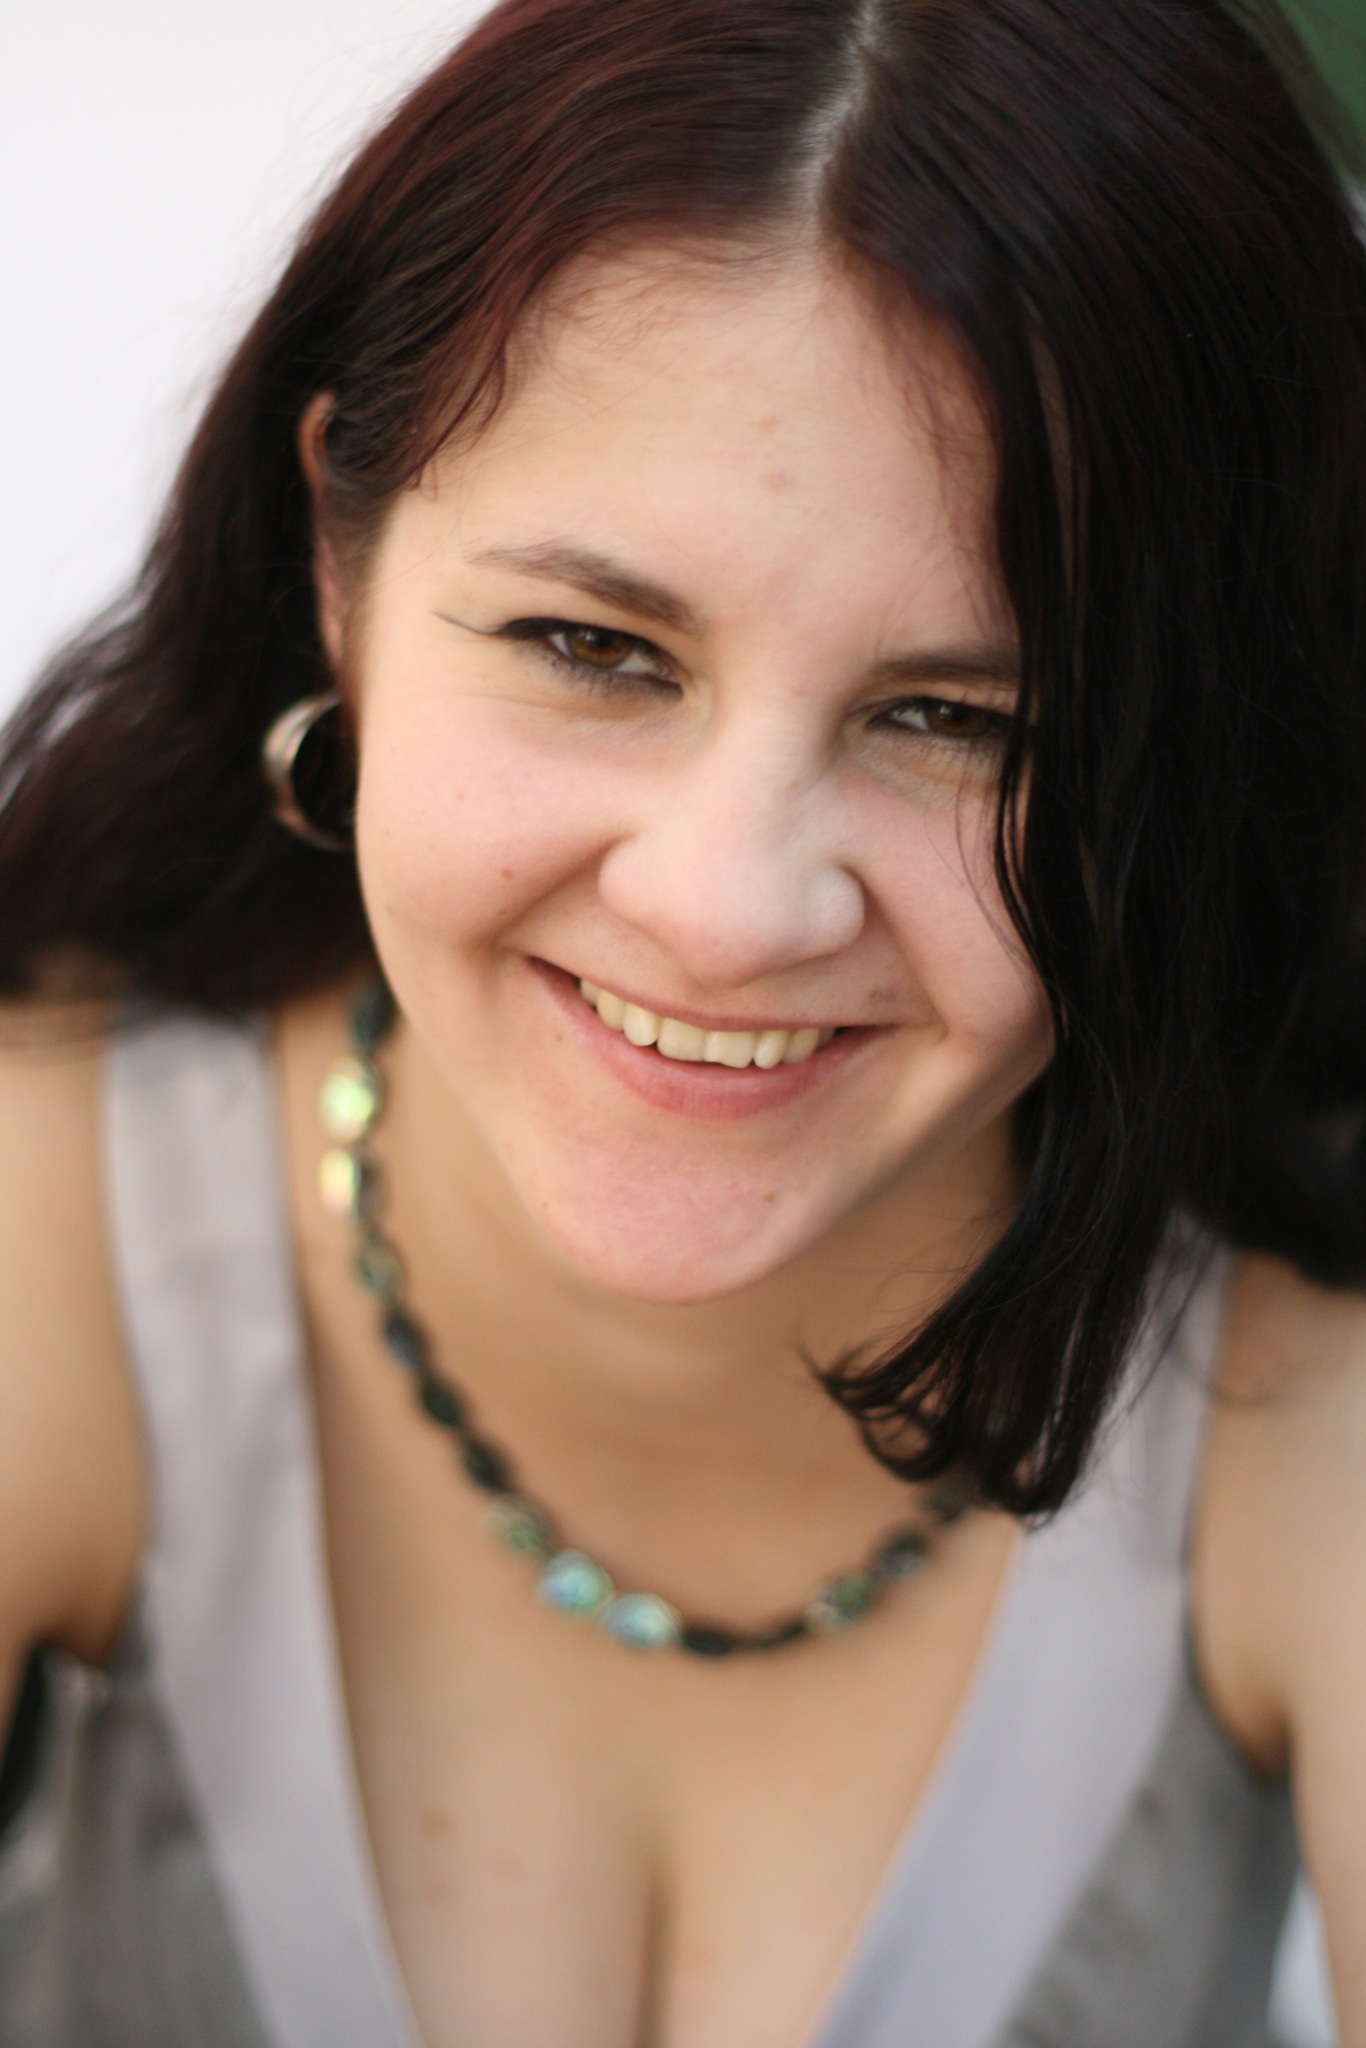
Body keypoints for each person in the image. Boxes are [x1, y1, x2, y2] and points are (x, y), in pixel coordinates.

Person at [1, 0, 1364, 2041]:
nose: (726, 908)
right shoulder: (46, 1223)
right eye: (590, 645)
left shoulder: (1307, 1375)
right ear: (337, 573)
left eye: (959, 720)